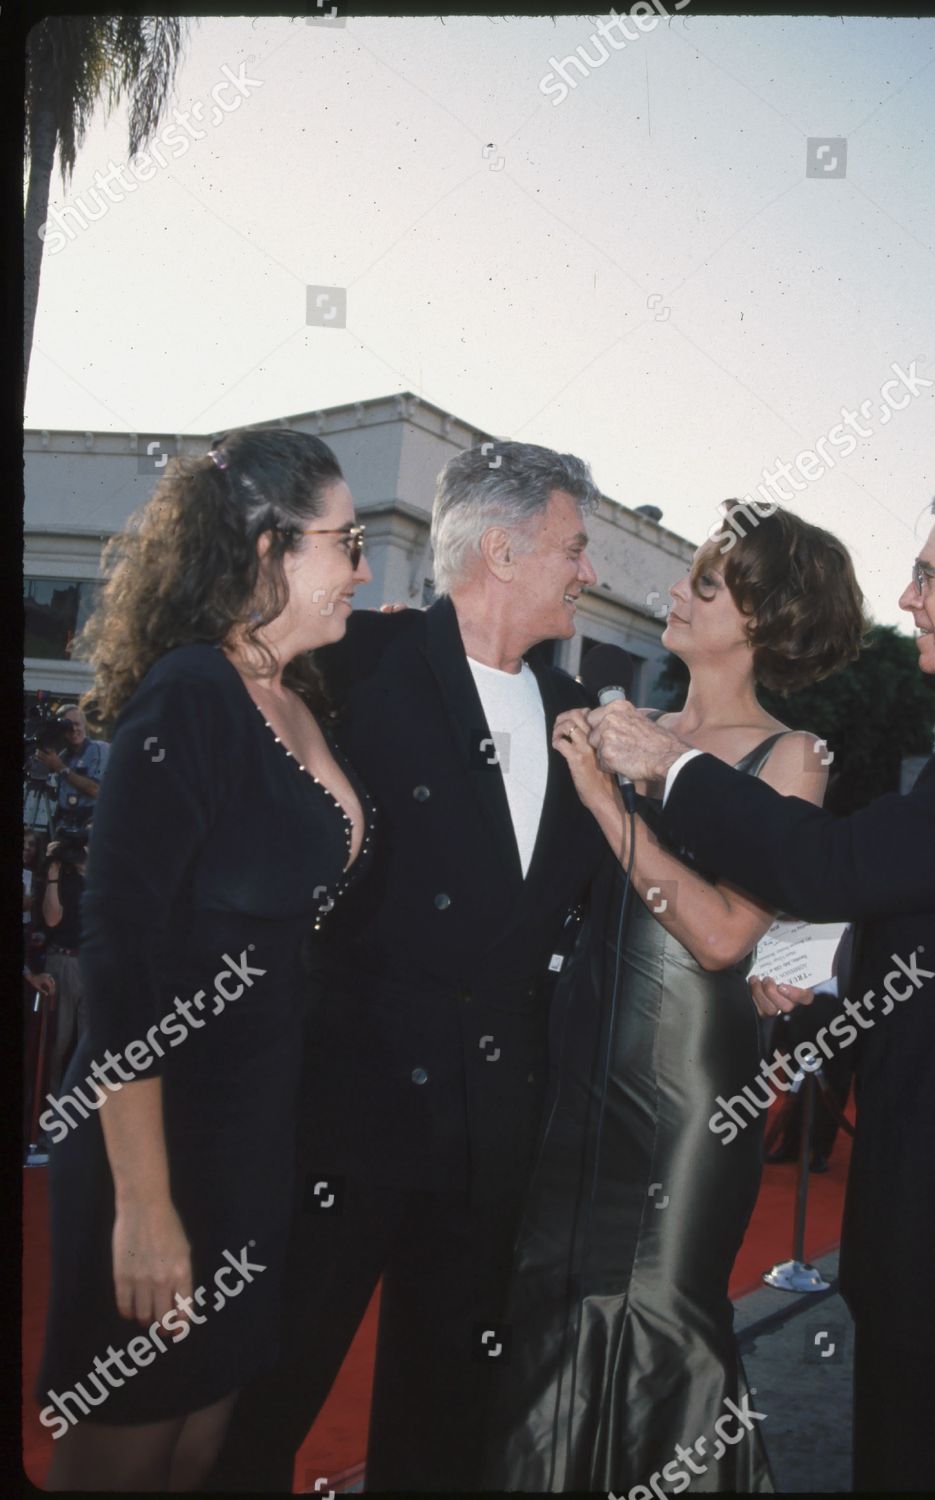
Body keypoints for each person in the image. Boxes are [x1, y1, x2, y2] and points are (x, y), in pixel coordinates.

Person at [212, 440, 608, 1493]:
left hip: (495, 1136)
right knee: (267, 1401)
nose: (589, 570)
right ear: (505, 549)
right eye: (574, 547)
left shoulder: (583, 721)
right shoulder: (357, 666)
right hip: (342, 1113)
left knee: (446, 1424)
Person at [581, 482, 935, 1492]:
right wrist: (814, 983)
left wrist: (664, 771)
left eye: (931, 575)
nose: (909, 595)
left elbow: (831, 870)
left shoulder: (796, 753)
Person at [484, 500, 866, 1493]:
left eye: (705, 584)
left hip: (692, 1089)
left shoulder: (791, 755)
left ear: (761, 615)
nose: (676, 595)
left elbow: (723, 934)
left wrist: (609, 808)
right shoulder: (624, 725)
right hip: (576, 1067)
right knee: (552, 1307)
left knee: (661, 1309)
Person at [36, 427, 374, 1491]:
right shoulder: (190, 693)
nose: (363, 568)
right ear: (271, 549)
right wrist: (143, 1202)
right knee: (127, 1449)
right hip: (162, 1139)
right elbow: (120, 948)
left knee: (199, 1447)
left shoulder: (295, 696)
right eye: (347, 543)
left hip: (253, 1139)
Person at [38, 829, 89, 1094]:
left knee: (88, 1046)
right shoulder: (62, 877)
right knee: (57, 1043)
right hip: (63, 962)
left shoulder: (108, 878)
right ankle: (50, 1107)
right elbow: (51, 920)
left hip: (94, 966)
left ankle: (82, 1112)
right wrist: (53, 869)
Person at [36, 703, 110, 834]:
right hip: (65, 825)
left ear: (84, 725)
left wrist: (60, 768)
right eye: (68, 726)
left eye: (77, 724)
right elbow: (63, 795)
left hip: (90, 824)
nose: (74, 729)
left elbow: (96, 790)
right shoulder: (62, 757)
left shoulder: (100, 750)